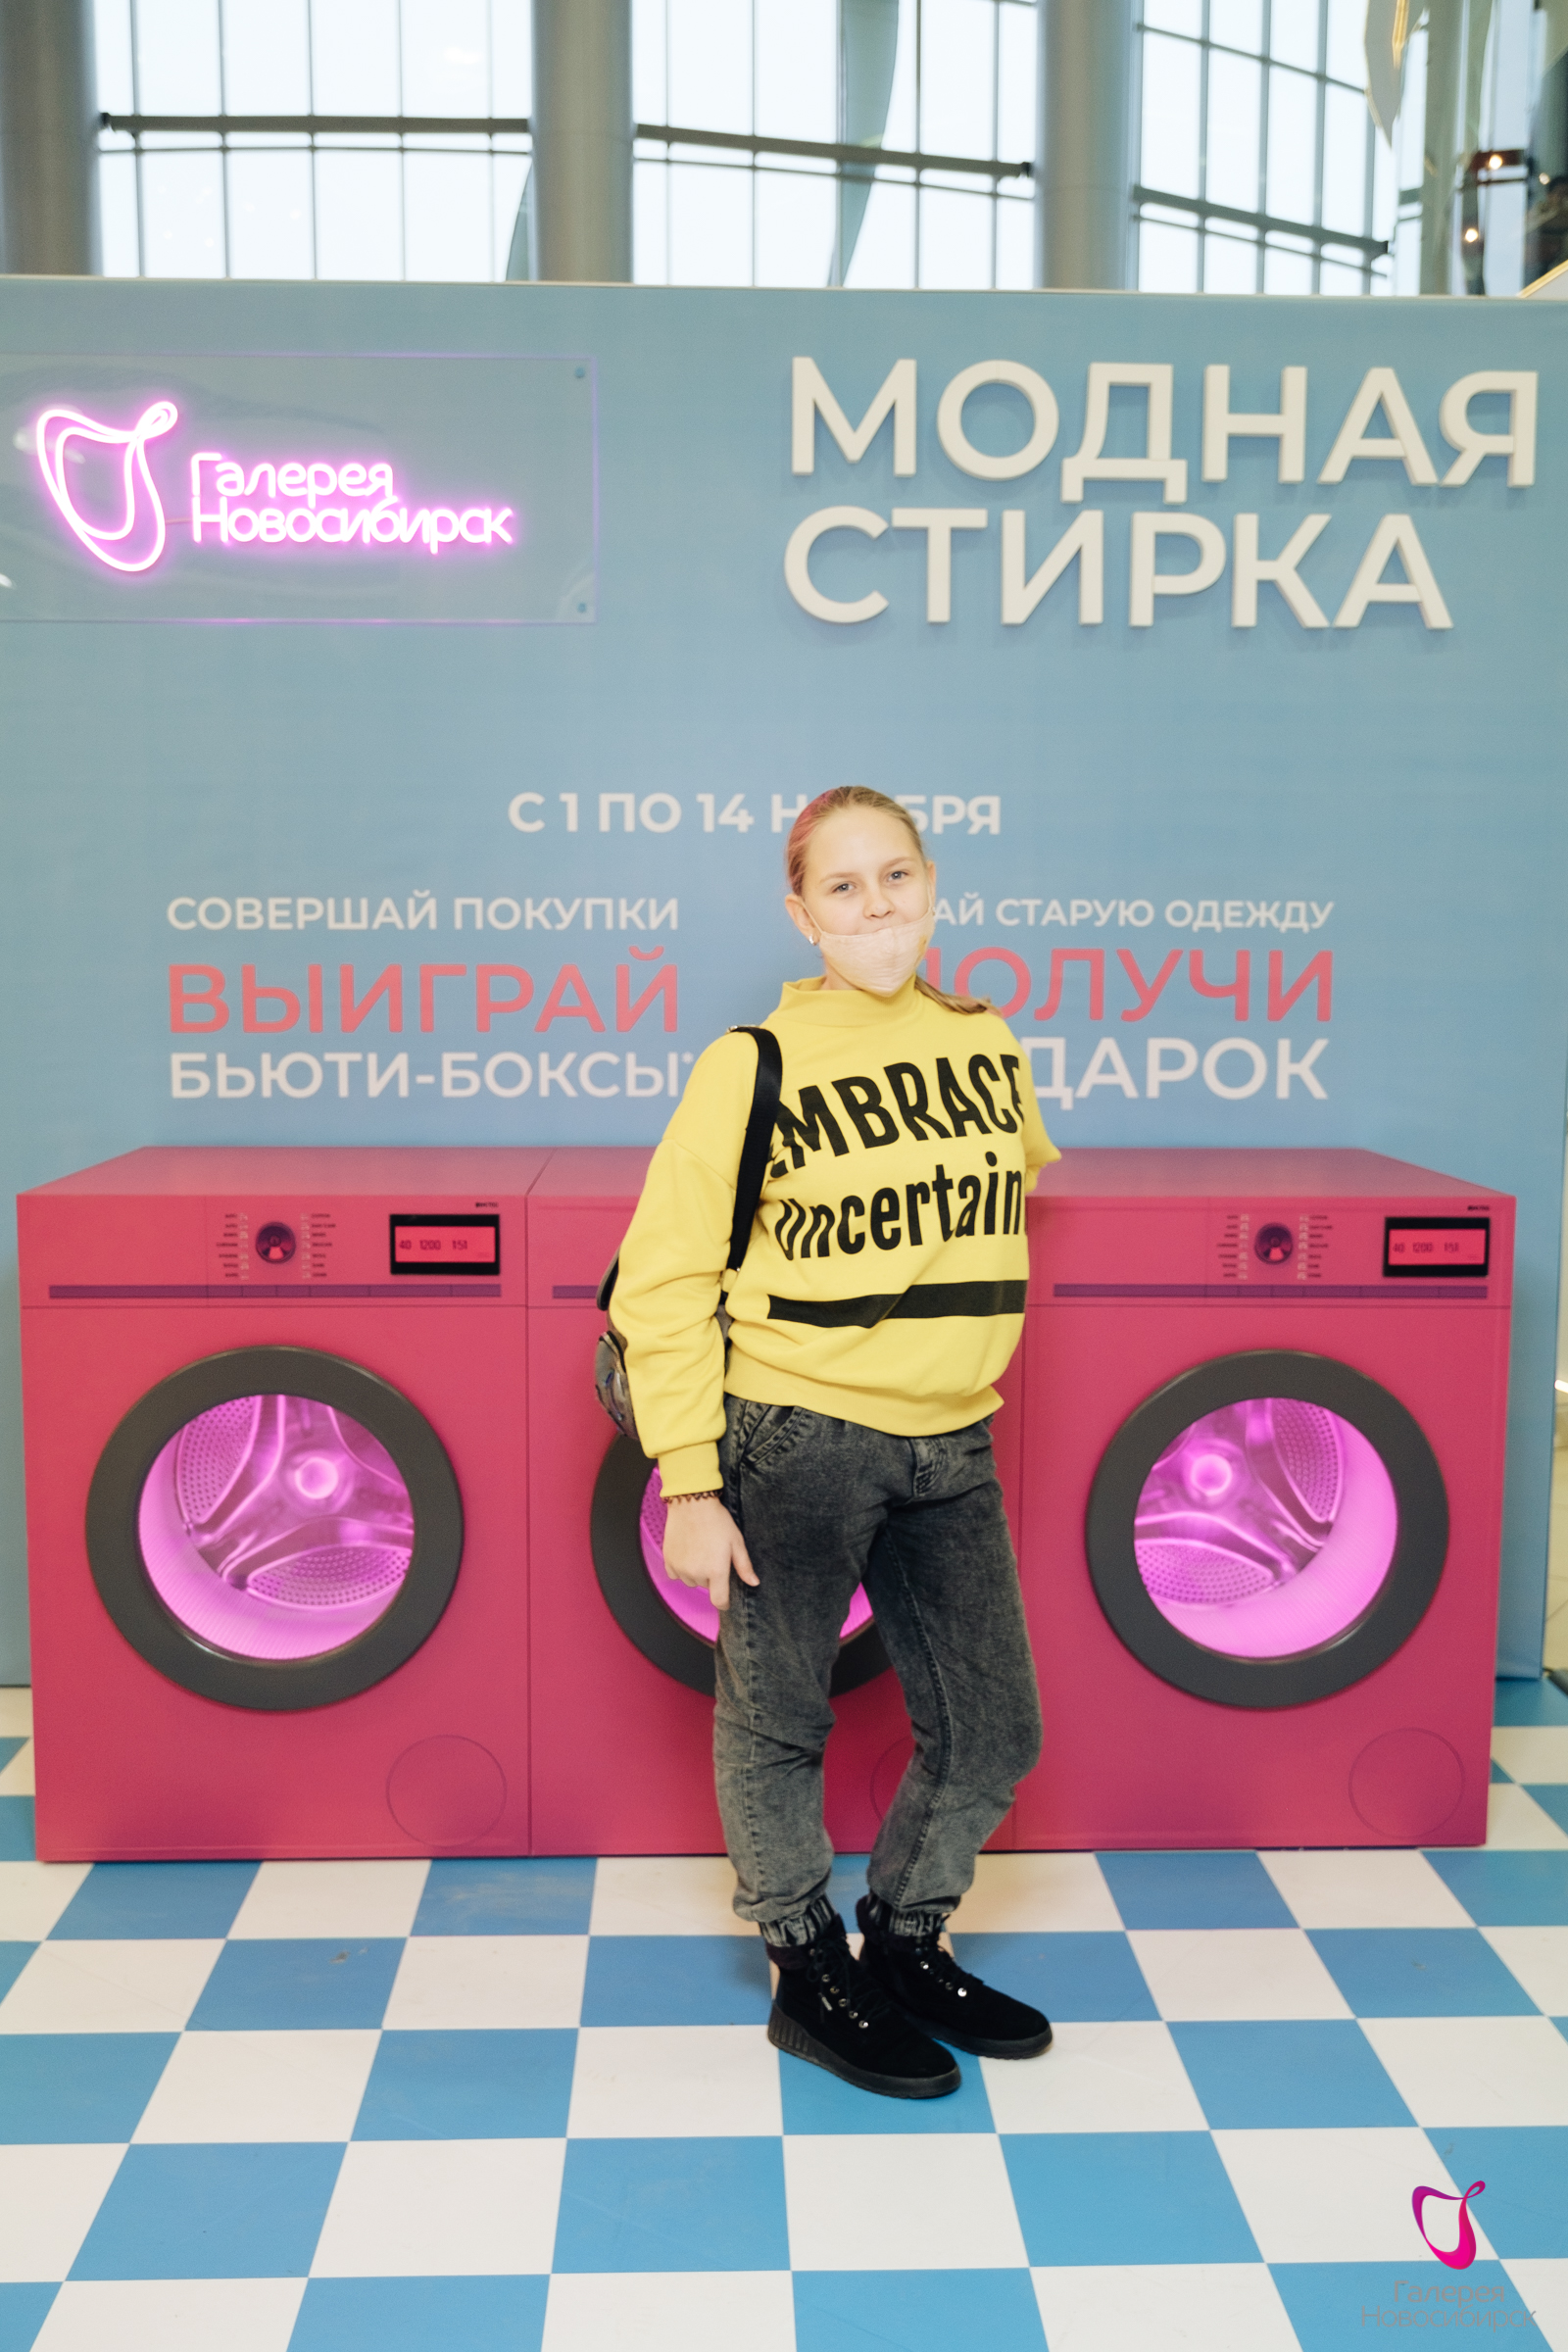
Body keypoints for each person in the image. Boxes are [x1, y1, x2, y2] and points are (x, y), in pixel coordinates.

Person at [612, 786, 1058, 2100]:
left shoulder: (986, 1043)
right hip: (796, 1434)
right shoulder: (751, 1064)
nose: (876, 905)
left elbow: (995, 1200)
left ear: (933, 886)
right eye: (844, 886)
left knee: (993, 1729)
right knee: (780, 1718)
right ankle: (805, 1972)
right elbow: (662, 1281)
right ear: (802, 914)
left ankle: (905, 1942)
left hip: (951, 1437)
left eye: (896, 875)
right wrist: (692, 1481)